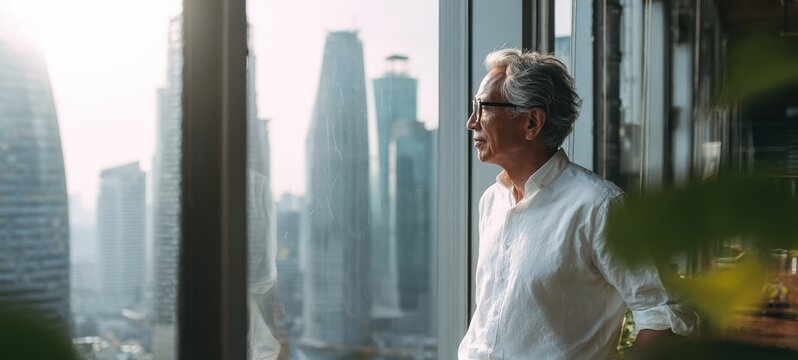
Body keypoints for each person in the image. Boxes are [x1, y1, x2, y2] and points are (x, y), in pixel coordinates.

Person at [458, 49, 696, 359]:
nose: (471, 122)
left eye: (483, 108)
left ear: (532, 122)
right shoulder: (492, 201)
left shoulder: (598, 207)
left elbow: (664, 314)